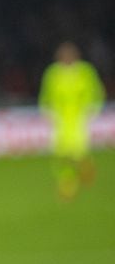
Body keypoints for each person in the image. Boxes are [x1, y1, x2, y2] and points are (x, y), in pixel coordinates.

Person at [39, 41, 106, 199]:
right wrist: (47, 110)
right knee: (62, 155)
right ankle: (68, 184)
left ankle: (85, 168)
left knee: (78, 153)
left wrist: (93, 109)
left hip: (79, 120)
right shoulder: (53, 73)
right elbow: (46, 94)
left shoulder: (85, 71)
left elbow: (96, 91)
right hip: (61, 121)